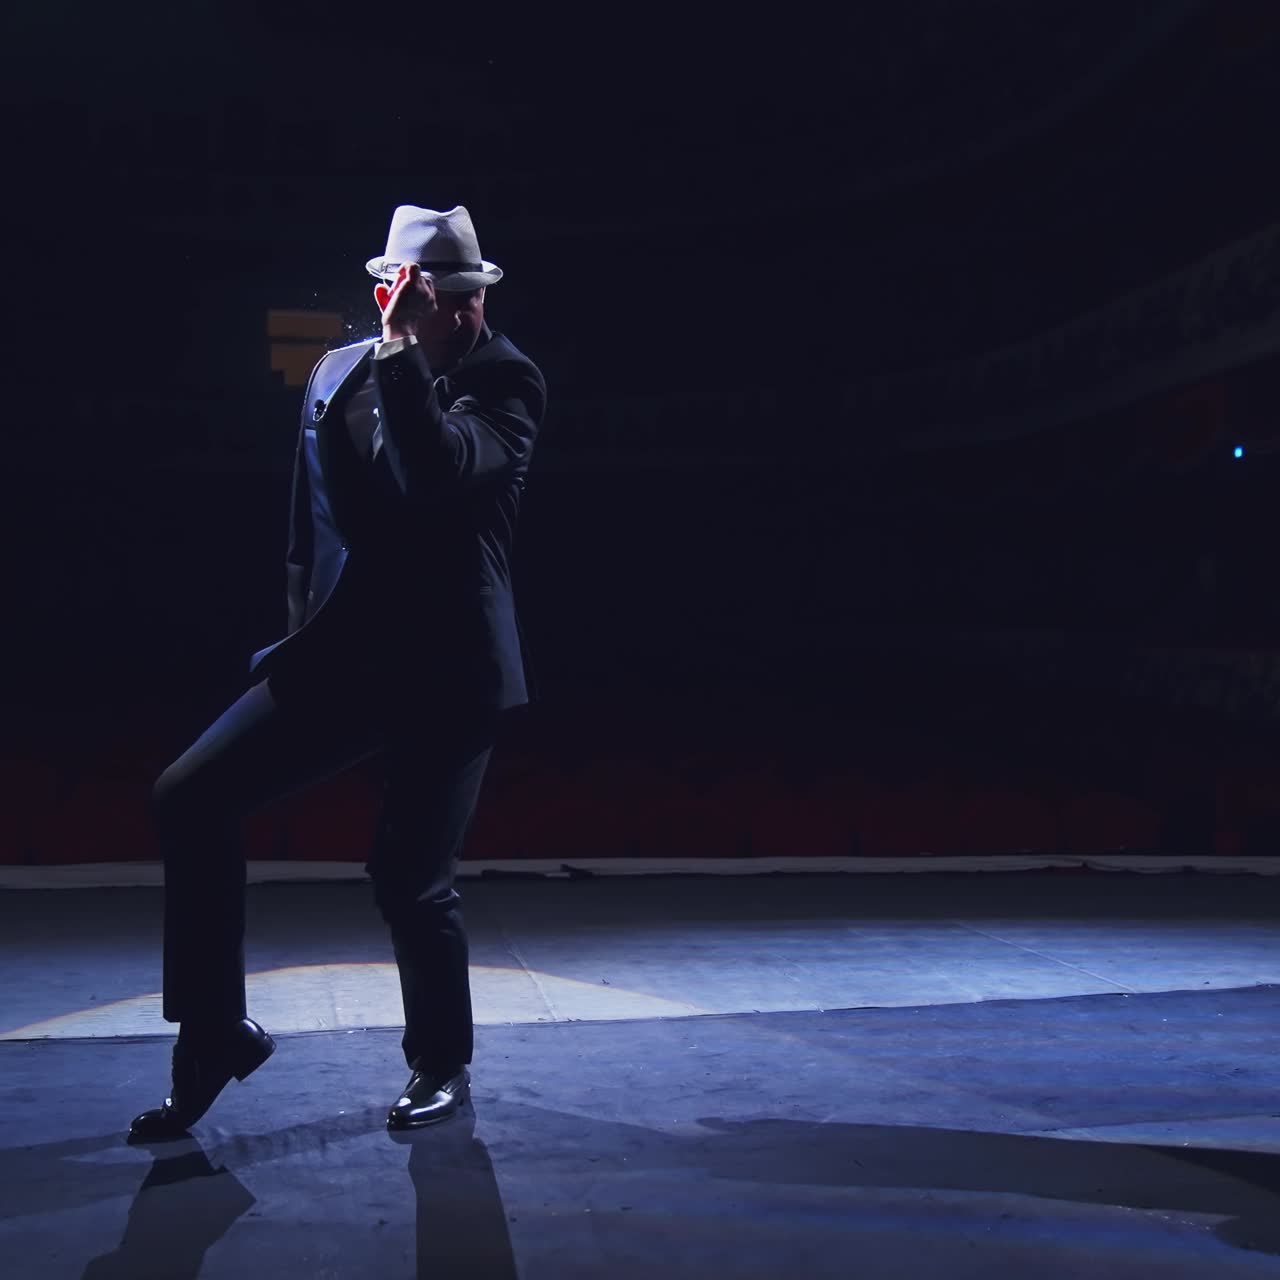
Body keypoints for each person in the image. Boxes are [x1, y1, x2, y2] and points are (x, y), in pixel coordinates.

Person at [128, 205, 547, 1141]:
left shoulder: (505, 379)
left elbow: (437, 471)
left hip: (448, 674)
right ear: (393, 292)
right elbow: (303, 526)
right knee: (188, 796)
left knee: (409, 878)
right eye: (447, 298)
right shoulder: (329, 373)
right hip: (343, 660)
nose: (468, 313)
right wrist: (295, 646)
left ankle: (441, 1063)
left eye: (474, 295)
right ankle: (212, 1034)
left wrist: (407, 354)